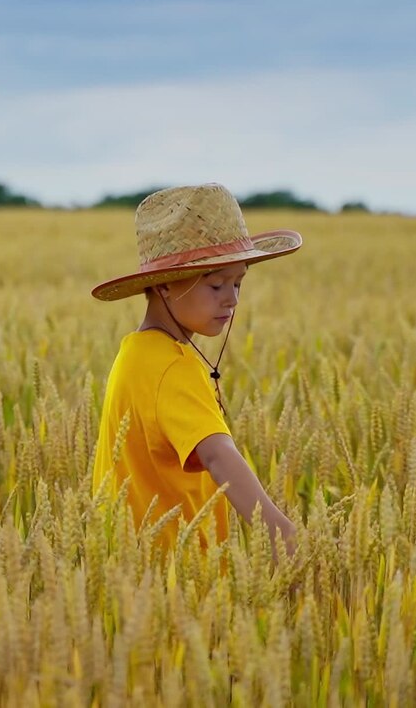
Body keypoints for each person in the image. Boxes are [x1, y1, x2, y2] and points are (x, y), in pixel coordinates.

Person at [91, 183, 301, 557]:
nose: (232, 299)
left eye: (238, 283)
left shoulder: (135, 353)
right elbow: (218, 455)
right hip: (178, 577)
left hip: (128, 565)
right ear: (167, 285)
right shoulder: (173, 365)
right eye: (216, 284)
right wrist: (281, 533)